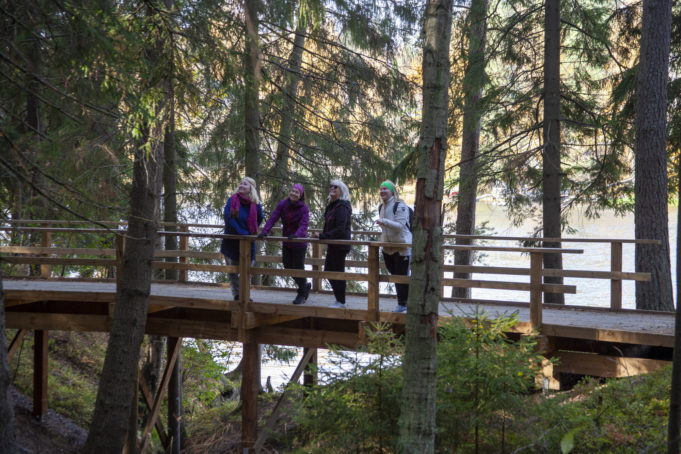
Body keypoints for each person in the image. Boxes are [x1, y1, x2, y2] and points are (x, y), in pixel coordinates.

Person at [258, 183, 311, 305]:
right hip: (287, 242)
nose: (293, 193)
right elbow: (273, 218)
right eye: (292, 191)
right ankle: (305, 285)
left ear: (301, 195)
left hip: (299, 242)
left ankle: (301, 293)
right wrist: (265, 231)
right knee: (287, 266)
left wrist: (297, 235)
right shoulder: (283, 204)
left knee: (298, 268)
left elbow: (304, 224)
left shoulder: (304, 208)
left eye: (296, 192)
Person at [220, 177, 264, 300]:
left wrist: (250, 232)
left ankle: (245, 295)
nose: (241, 185)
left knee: (247, 270)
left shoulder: (255, 203)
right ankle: (237, 295)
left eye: (245, 184)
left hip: (248, 241)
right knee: (233, 272)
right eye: (240, 183)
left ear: (251, 188)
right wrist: (242, 232)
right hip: (231, 240)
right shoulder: (232, 200)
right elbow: (229, 218)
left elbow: (260, 217)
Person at [313, 180, 352, 308]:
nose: (332, 188)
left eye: (336, 187)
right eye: (331, 186)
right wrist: (323, 235)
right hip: (333, 244)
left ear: (342, 190)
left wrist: (323, 236)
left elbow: (340, 228)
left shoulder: (342, 206)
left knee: (337, 272)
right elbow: (329, 225)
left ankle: (341, 301)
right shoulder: (332, 205)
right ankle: (340, 300)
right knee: (329, 271)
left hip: (340, 245)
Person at [375, 180, 411, 313]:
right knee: (395, 276)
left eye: (385, 189)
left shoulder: (400, 206)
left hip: (402, 247)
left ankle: (404, 304)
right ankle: (403, 303)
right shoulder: (381, 207)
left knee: (401, 276)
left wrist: (383, 221)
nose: (382, 191)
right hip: (387, 248)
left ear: (392, 191)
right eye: (381, 189)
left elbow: (400, 226)